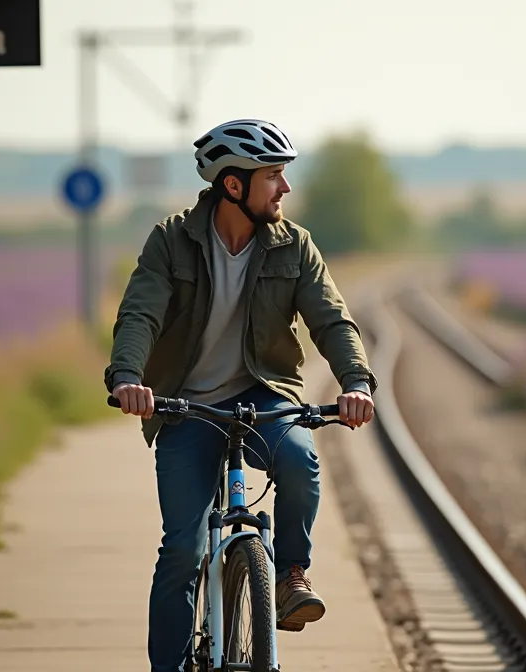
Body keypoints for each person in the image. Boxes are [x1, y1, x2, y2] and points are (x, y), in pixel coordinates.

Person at [104, 118, 377, 671]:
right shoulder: (170, 241)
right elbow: (140, 314)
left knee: (301, 459)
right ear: (234, 185)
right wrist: (128, 378)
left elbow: (332, 321)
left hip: (264, 395)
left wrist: (355, 382)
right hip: (186, 405)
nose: (286, 188)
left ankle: (290, 574)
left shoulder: (294, 246)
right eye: (273, 175)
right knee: (183, 550)